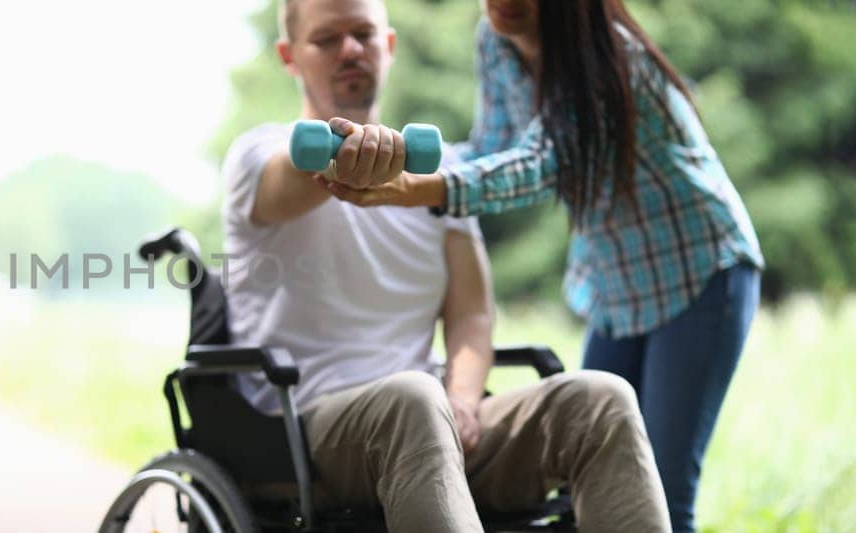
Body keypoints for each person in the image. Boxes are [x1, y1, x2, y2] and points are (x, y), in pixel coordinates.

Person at [219, 0, 671, 530]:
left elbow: (472, 315)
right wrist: (345, 156)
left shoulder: (440, 175)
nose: (349, 50)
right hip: (307, 431)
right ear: (289, 56)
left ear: (387, 47)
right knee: (413, 397)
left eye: (363, 34)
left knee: (600, 398)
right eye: (326, 39)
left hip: (436, 418)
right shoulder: (257, 155)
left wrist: (462, 398)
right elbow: (288, 180)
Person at [316, 1, 764, 530]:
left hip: (702, 269)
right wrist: (387, 154)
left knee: (663, 484)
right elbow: (494, 148)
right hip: (618, 283)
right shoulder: (497, 40)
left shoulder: (617, 62)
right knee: (591, 479)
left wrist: (415, 190)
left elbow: (538, 165)